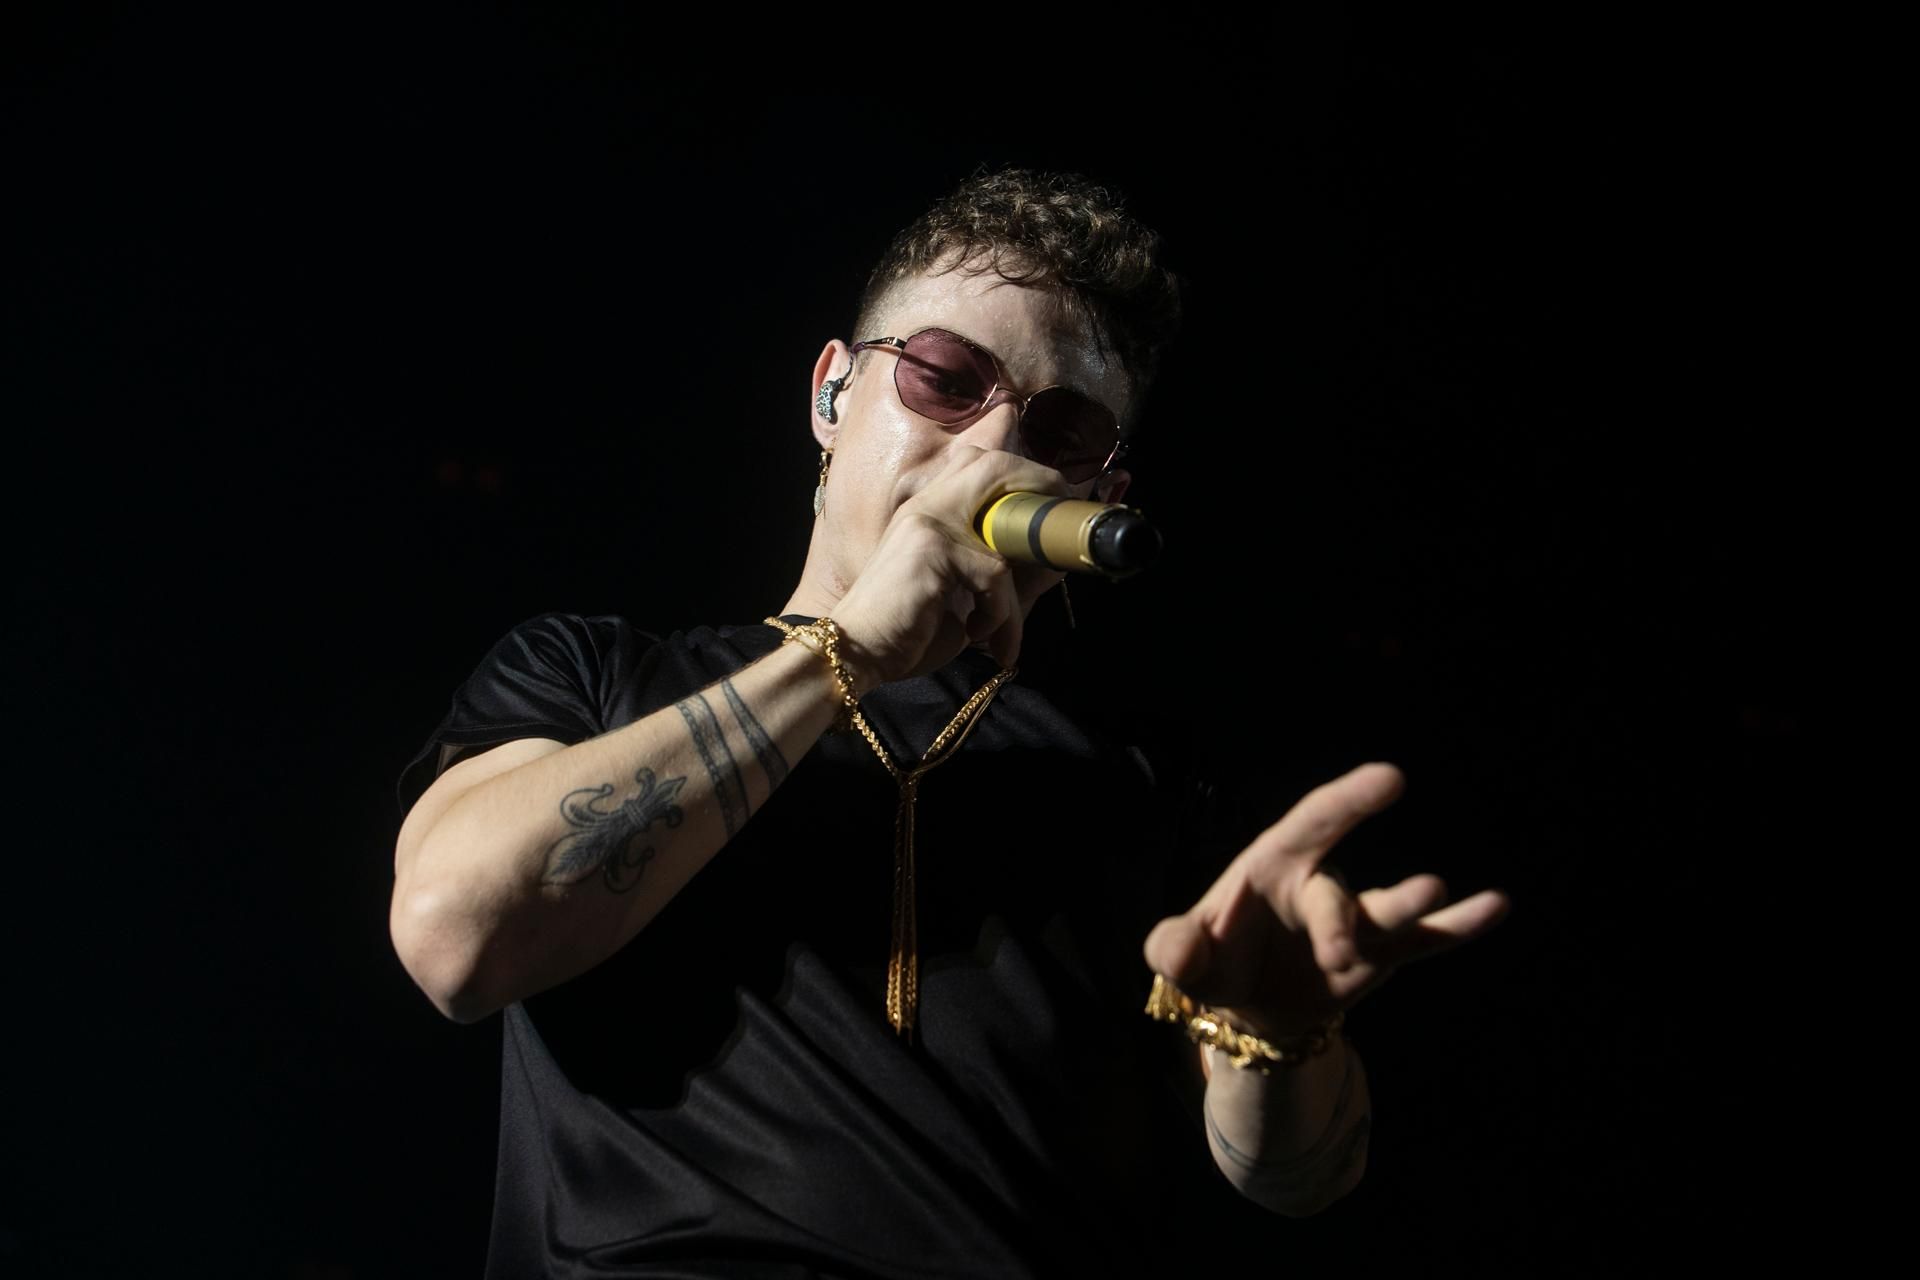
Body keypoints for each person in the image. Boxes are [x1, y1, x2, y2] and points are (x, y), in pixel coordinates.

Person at [391, 167, 1508, 1276]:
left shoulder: (1137, 791)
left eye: (1062, 429)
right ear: (832, 394)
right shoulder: (592, 675)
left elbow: (1301, 1174)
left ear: (1100, 502)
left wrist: (1277, 1039)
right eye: (945, 378)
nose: (992, 450)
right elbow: (455, 935)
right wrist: (848, 650)